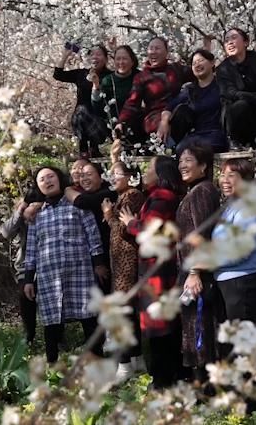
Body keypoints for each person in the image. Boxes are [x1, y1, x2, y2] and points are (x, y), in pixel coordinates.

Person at [24, 167, 109, 363]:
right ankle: (52, 367)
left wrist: (98, 264)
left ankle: (97, 363)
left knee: (89, 317)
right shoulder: (37, 215)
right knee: (51, 322)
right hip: (48, 277)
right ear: (38, 186)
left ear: (60, 179)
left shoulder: (77, 206)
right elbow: (31, 249)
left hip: (80, 272)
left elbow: (93, 235)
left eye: (51, 176)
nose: (47, 181)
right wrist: (29, 279)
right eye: (42, 179)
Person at [120, 156, 185, 388]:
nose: (145, 172)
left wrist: (130, 223)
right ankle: (171, 377)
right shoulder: (160, 197)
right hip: (159, 269)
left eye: (149, 168)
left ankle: (162, 380)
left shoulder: (161, 196)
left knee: (159, 329)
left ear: (161, 174)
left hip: (157, 271)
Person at [175, 141, 222, 384]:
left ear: (204, 166)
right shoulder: (195, 190)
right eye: (181, 160)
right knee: (193, 324)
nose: (182, 165)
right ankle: (200, 383)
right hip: (189, 269)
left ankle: (206, 386)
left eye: (189, 160)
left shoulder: (203, 191)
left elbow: (203, 234)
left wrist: (195, 272)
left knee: (200, 326)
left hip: (198, 271)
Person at [212, 159, 256, 348]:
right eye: (222, 174)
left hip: (244, 283)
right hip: (228, 282)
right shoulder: (231, 207)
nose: (225, 180)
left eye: (232, 175)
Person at [101, 161, 147, 380]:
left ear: (131, 176)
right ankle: (136, 359)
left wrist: (109, 215)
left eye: (116, 174)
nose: (112, 177)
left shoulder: (132, 195)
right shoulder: (124, 195)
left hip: (127, 263)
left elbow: (124, 229)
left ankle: (125, 364)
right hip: (121, 263)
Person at [114, 37, 195, 153]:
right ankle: (169, 149)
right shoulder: (142, 77)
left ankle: (178, 149)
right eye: (151, 48)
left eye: (157, 48)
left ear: (167, 52)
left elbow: (199, 73)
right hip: (154, 119)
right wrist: (120, 122)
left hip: (176, 113)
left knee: (185, 113)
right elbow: (132, 103)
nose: (153, 52)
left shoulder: (176, 69)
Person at [157, 49, 229, 153]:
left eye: (200, 61)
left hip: (216, 134)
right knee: (180, 150)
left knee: (197, 152)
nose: (197, 65)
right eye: (194, 63)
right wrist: (164, 122)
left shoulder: (222, 85)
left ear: (212, 62)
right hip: (196, 135)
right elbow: (169, 107)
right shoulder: (190, 89)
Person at [0, 185, 44, 345]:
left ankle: (57, 337)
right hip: (25, 265)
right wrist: (21, 210)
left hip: (49, 263)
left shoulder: (50, 210)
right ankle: (29, 335)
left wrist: (40, 207)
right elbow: (6, 232)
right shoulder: (22, 215)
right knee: (26, 300)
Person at [65, 162, 117, 292]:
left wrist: (67, 190)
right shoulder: (86, 193)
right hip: (90, 258)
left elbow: (81, 202)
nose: (84, 179)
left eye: (89, 174)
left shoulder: (109, 192)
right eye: (82, 176)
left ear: (101, 177)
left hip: (109, 255)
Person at [54, 44, 113, 157]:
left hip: (101, 120)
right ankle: (85, 148)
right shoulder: (82, 74)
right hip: (81, 119)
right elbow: (58, 75)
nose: (95, 57)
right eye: (92, 54)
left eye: (99, 54)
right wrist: (65, 56)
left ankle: (92, 148)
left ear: (106, 58)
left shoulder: (110, 76)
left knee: (88, 112)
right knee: (82, 111)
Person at [92, 45, 140, 127]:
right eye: (118, 59)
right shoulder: (108, 80)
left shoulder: (140, 77)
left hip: (138, 123)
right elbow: (98, 108)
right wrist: (96, 86)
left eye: (124, 59)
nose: (121, 62)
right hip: (116, 125)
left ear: (132, 61)